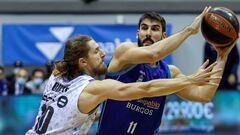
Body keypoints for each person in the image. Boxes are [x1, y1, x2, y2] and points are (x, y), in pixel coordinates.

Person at [26, 35, 220, 135]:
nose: (103, 53)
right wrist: (189, 79)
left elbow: (66, 107)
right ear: (82, 62)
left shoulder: (57, 75)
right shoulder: (93, 88)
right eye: (96, 51)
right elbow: (146, 89)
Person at [97, 7, 238, 135]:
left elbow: (203, 96)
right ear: (137, 33)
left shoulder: (170, 72)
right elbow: (154, 54)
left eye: (155, 29)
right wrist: (189, 30)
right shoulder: (124, 53)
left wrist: (222, 58)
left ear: (164, 36)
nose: (148, 33)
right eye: (144, 28)